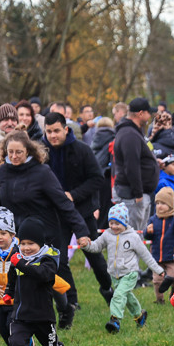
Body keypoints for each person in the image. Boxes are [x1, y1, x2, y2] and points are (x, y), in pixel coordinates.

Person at [0, 130, 93, 324]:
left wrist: (81, 231)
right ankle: (13, 321)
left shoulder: (42, 172)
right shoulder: (2, 173)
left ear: (29, 151)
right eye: (10, 152)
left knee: (49, 278)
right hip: (16, 237)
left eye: (19, 152)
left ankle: (65, 309)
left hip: (45, 234)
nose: (14, 157)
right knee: (16, 275)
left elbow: (63, 204)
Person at [42, 111, 112, 307]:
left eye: (56, 130)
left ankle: (107, 288)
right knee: (59, 259)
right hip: (56, 214)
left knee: (95, 256)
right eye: (49, 132)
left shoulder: (82, 150)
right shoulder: (42, 152)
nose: (53, 135)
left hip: (82, 212)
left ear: (66, 129)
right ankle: (71, 300)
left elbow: (97, 178)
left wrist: (73, 194)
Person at [0, 218, 75, 346]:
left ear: (40, 243)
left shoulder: (48, 259)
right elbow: (12, 274)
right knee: (16, 343)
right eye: (23, 243)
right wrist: (9, 291)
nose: (26, 248)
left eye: (31, 244)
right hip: (20, 314)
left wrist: (21, 263)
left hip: (43, 316)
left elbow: (42, 275)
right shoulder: (18, 257)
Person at [0, 207, 70, 344]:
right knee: (4, 331)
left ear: (12, 235)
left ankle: (23, 345)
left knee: (12, 328)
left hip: (18, 300)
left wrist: (62, 287)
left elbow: (39, 272)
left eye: (3, 233)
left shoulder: (22, 252)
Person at [84, 204, 169, 333]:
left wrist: (158, 270)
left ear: (124, 222)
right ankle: (140, 315)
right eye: (111, 223)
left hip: (130, 273)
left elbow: (146, 256)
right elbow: (96, 247)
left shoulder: (133, 237)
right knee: (127, 297)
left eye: (117, 223)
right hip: (115, 275)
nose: (113, 226)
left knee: (118, 295)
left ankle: (115, 320)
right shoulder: (107, 235)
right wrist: (87, 245)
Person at [110, 98, 159, 231]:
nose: (150, 116)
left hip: (137, 194)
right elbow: (131, 166)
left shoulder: (133, 131)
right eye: (149, 113)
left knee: (137, 238)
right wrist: (138, 195)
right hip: (132, 196)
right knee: (132, 239)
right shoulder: (129, 134)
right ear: (140, 113)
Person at [145, 187, 174, 303]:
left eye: (163, 203)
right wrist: (148, 231)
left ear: (170, 205)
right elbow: (147, 236)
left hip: (171, 256)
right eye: (157, 203)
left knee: (173, 276)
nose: (159, 206)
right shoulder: (153, 219)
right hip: (156, 256)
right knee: (157, 280)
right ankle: (159, 300)